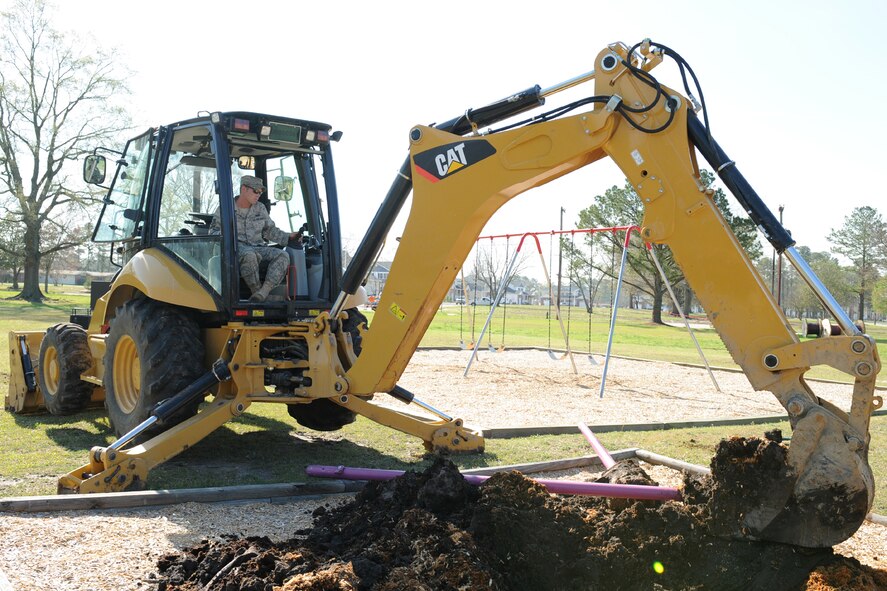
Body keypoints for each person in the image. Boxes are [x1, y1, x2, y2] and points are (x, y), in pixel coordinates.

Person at [212, 175, 301, 302]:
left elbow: (269, 231)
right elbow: (214, 231)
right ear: (244, 189)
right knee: (249, 255)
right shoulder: (226, 208)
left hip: (258, 247)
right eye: (256, 191)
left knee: (283, 255)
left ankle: (263, 293)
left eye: (261, 192)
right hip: (236, 249)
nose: (258, 194)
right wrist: (227, 239)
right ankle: (256, 292)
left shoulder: (260, 208)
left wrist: (288, 237)